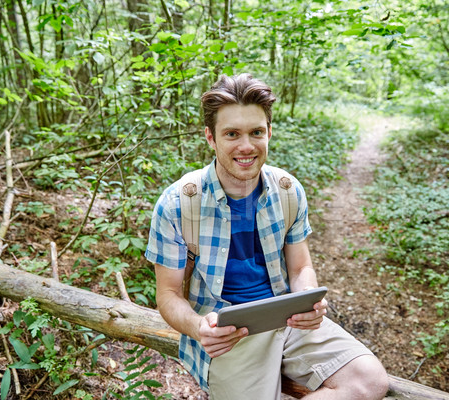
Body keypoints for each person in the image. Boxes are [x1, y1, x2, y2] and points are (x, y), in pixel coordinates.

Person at [146, 73, 389, 400]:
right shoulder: (178, 204)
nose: (246, 146)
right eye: (232, 134)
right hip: (229, 331)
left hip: (286, 317)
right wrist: (198, 328)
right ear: (210, 137)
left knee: (369, 381)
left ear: (269, 133)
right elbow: (168, 295)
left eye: (256, 132)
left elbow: (300, 268)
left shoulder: (288, 191)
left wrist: (308, 301)